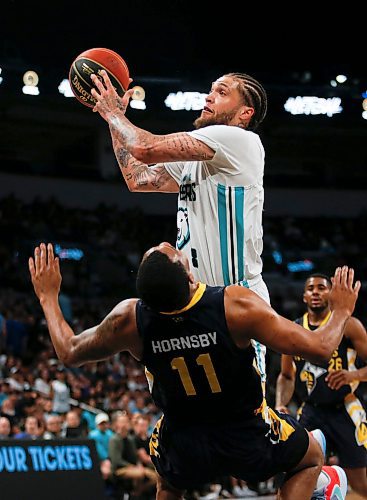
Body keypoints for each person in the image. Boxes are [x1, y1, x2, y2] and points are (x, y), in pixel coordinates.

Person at [28, 242, 360, 499]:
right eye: (167, 251)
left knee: (169, 486)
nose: (167, 245)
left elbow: (68, 351)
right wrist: (342, 310)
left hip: (184, 440)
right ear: (189, 275)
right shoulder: (234, 305)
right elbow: (320, 348)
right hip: (246, 433)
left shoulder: (129, 320)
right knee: (312, 457)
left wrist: (47, 297)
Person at [275, 273, 367, 497]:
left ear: (332, 294)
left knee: (360, 483)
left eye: (321, 288)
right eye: (310, 288)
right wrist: (280, 404)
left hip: (345, 408)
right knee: (295, 473)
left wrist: (352, 375)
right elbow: (286, 376)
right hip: (311, 410)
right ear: (304, 296)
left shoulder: (349, 326)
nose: (315, 291)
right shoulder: (294, 330)